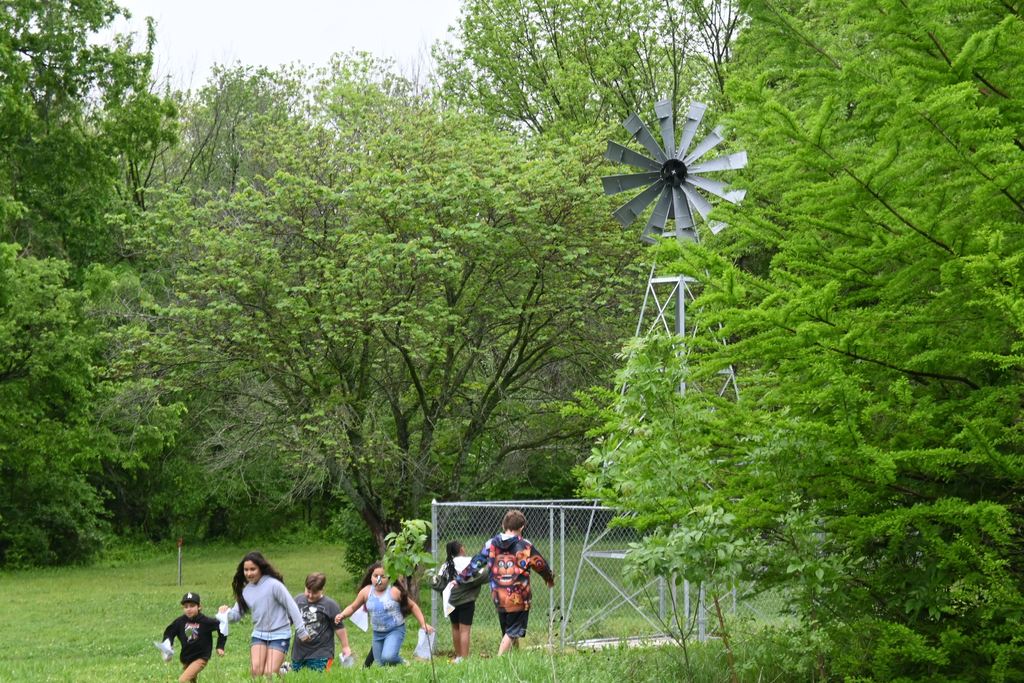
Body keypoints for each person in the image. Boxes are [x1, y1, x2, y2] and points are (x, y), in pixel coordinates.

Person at [455, 509, 554, 655]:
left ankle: (516, 657)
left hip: (498, 596)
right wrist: (549, 578)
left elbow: (475, 563)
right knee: (513, 631)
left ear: (503, 525)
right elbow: (540, 564)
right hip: (519, 597)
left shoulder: (491, 544)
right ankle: (499, 659)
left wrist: (460, 578)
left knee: (509, 631)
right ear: (522, 527)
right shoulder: (525, 546)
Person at [220, 551, 309, 679]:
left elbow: (292, 606)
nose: (249, 573)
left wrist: (301, 630)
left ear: (260, 568)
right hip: (259, 635)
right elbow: (236, 615)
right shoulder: (247, 591)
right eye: (246, 570)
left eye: (252, 569)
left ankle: (281, 671)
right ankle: (283, 670)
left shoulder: (274, 585)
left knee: (270, 673)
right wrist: (225, 613)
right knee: (256, 671)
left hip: (279, 634)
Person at [334, 562, 434, 666]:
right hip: (377, 634)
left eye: (383, 576)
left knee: (388, 657)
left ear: (390, 578)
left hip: (395, 630)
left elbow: (413, 606)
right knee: (380, 664)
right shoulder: (366, 592)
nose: (379, 579)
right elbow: (352, 607)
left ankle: (404, 663)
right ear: (371, 577)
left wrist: (423, 624)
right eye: (375, 576)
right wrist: (342, 615)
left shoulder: (394, 591)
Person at [432, 540, 484, 663]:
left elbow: (439, 581)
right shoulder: (468, 561)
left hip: (450, 601)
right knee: (464, 630)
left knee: (455, 627)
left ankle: (459, 656)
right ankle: (465, 659)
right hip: (466, 601)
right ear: (461, 549)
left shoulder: (445, 565)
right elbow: (481, 573)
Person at [157, 591, 228, 682]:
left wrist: (220, 646)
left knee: (183, 680)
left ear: (199, 607)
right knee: (192, 680)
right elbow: (169, 632)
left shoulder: (206, 621)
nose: (188, 609)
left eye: (192, 606)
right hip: (187, 657)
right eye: (186, 607)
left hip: (201, 657)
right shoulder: (180, 622)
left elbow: (222, 627)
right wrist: (167, 645)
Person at [290, 572, 353, 672]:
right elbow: (288, 621)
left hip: (321, 653)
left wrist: (345, 646)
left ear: (322, 590)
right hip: (299, 653)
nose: (310, 595)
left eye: (314, 593)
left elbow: (339, 627)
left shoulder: (330, 605)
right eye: (308, 591)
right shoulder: (298, 600)